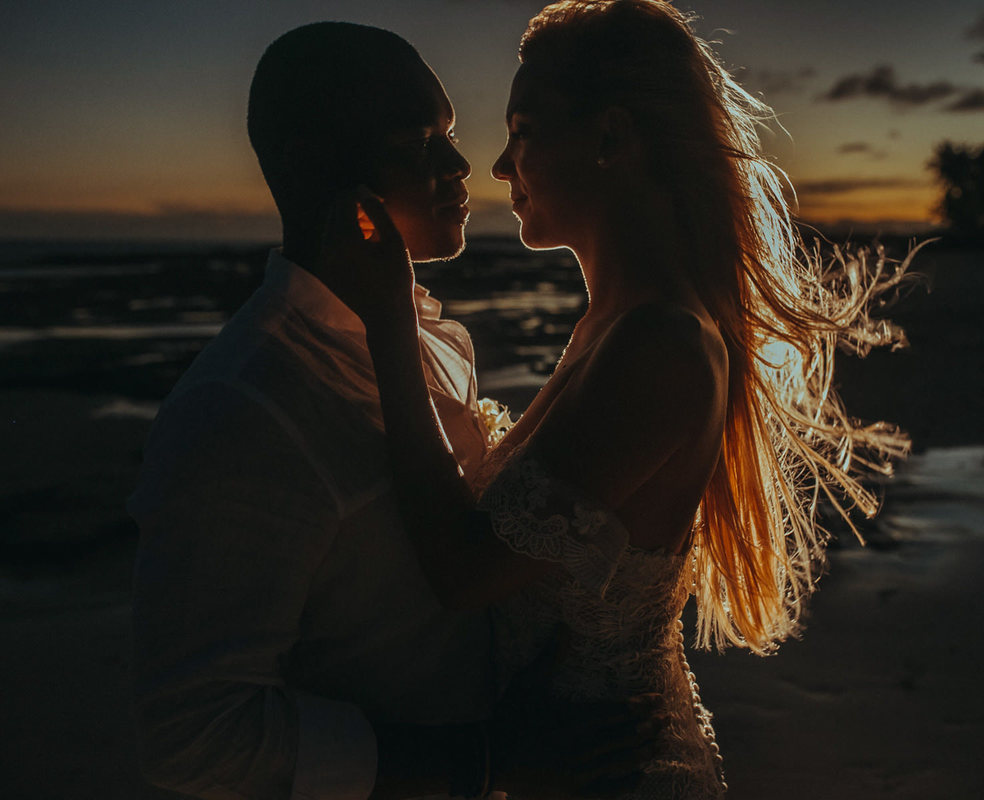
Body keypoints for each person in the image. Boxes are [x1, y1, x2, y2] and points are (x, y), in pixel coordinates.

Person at [322, 1, 915, 798]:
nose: (499, 167)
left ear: (610, 140)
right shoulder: (614, 326)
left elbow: (464, 573)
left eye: (524, 130)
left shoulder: (661, 349)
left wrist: (391, 323)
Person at [128, 21, 657, 800]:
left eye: (448, 133)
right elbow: (191, 736)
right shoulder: (243, 409)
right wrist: (479, 765)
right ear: (330, 176)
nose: (460, 164)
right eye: (420, 140)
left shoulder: (432, 342)